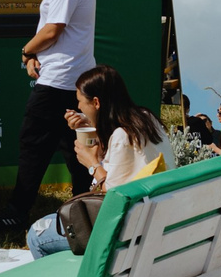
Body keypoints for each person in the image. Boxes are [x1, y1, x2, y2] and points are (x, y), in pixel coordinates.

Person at [9, 0, 96, 231]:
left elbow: (53, 30)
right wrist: (36, 55)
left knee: (33, 145)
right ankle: (85, 210)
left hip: (58, 81)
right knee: (74, 151)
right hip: (67, 78)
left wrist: (27, 51)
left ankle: (17, 213)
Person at [28, 66, 166, 259]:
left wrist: (92, 164)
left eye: (80, 103)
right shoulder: (146, 118)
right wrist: (90, 123)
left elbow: (113, 201)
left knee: (37, 234)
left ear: (96, 102)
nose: (79, 108)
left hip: (125, 232)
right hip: (153, 219)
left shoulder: (122, 136)